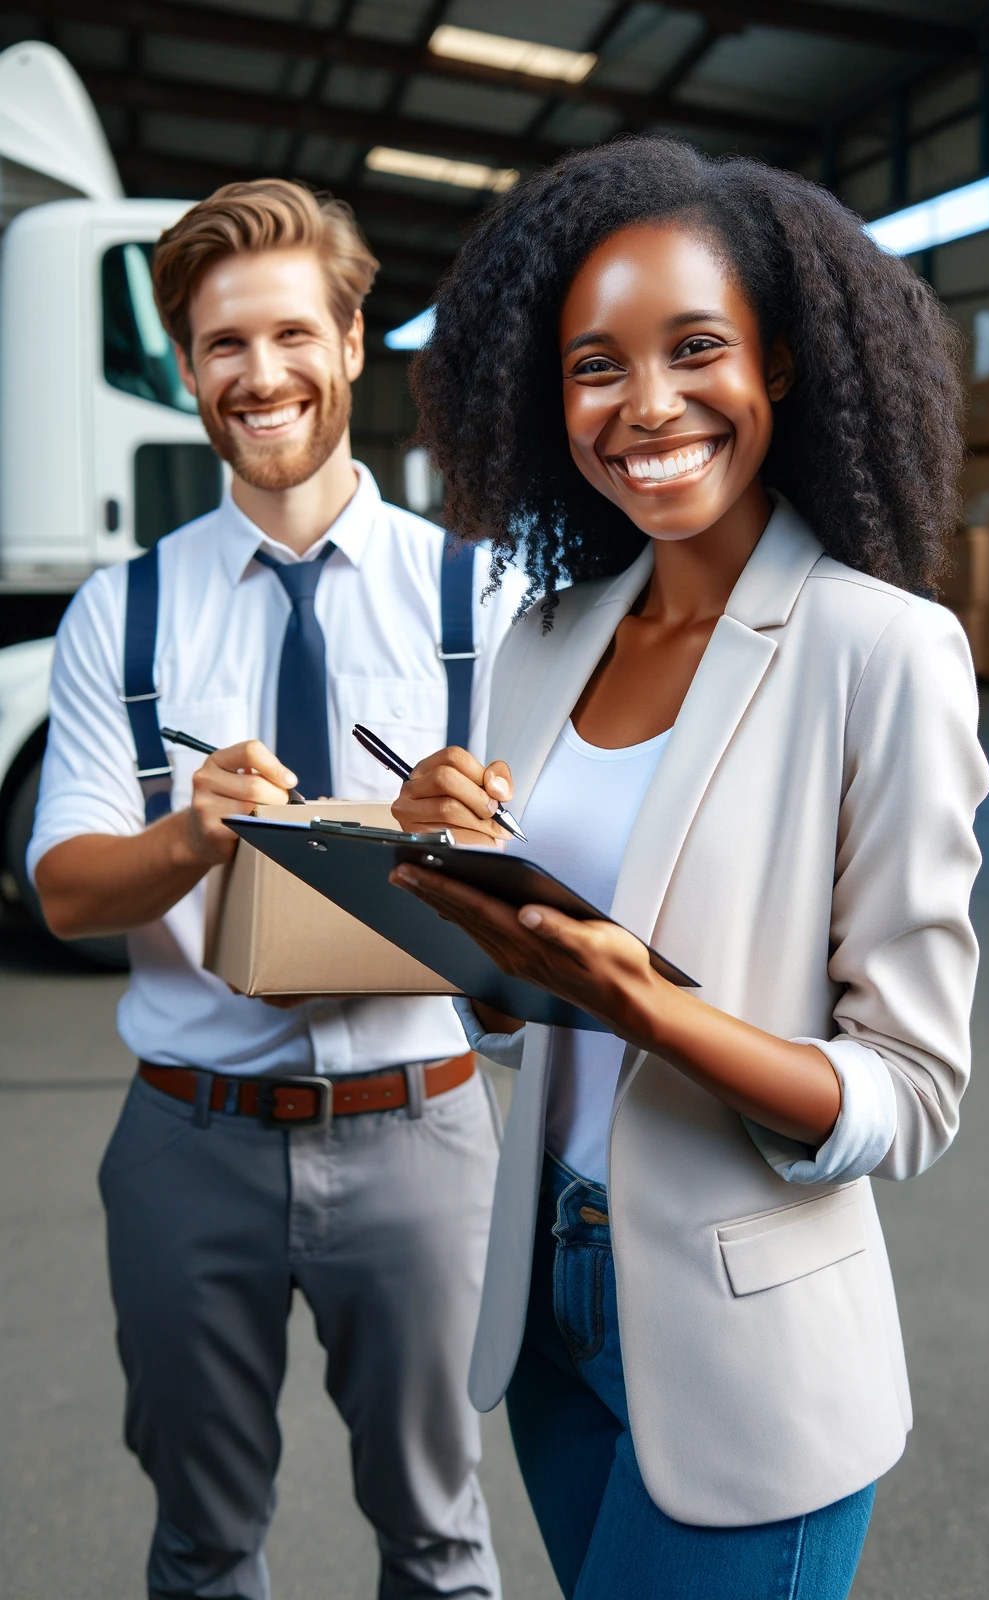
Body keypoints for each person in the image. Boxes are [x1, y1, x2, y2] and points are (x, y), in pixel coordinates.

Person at [387, 138, 989, 1600]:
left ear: (779, 367)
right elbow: (517, 1013)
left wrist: (653, 1009)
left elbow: (910, 1097)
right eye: (596, 365)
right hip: (553, 1308)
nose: (645, 406)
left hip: (746, 1337)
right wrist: (458, 891)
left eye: (695, 348)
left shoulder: (883, 651)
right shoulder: (543, 642)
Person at [29, 180, 522, 1600]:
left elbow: (567, 901)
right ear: (189, 368)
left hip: (424, 1138)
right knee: (200, 1545)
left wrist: (471, 839)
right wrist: (188, 836)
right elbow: (64, 890)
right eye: (223, 344)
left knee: (440, 1541)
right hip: (194, 1143)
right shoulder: (120, 614)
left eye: (293, 333)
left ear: (355, 340)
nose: (262, 375)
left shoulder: (477, 602)